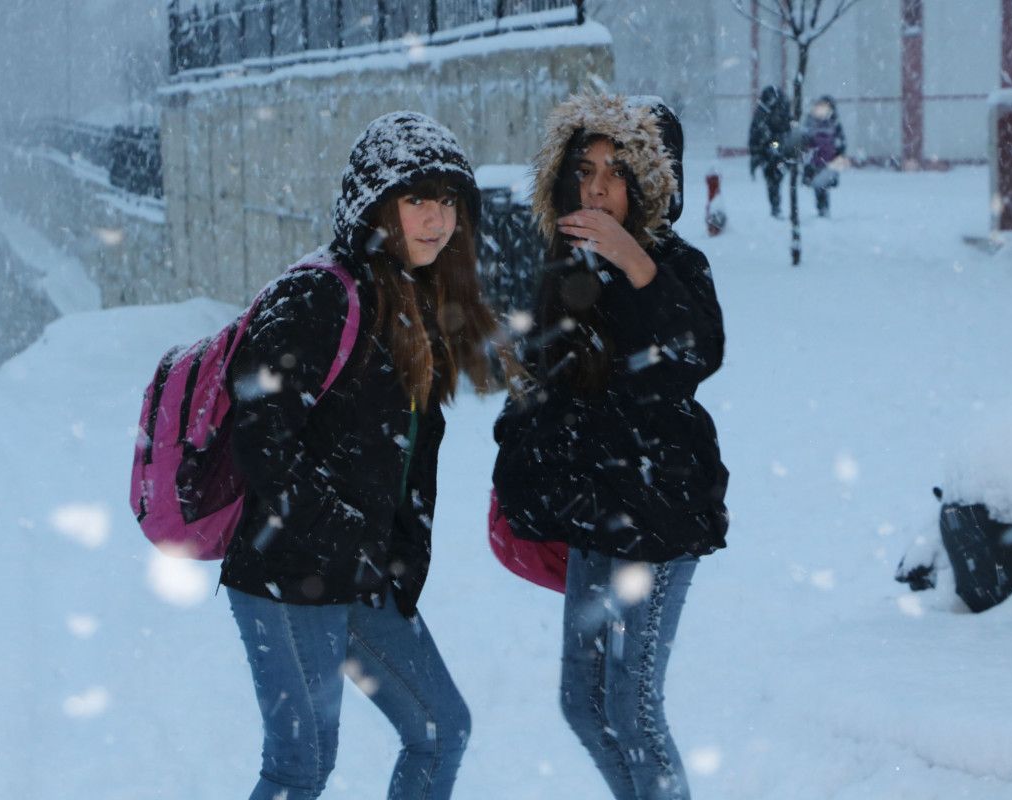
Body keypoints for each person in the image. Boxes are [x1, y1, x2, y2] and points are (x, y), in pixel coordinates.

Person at [219, 111, 503, 800]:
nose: (436, 218)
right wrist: (342, 534)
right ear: (376, 203)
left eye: (448, 201)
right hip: (289, 571)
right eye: (417, 199)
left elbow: (408, 457)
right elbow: (261, 434)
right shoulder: (316, 293)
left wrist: (395, 554)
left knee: (439, 729)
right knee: (301, 765)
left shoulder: (411, 299)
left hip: (360, 574)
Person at [493, 92, 730, 800]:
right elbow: (544, 388)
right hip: (595, 515)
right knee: (583, 703)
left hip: (659, 513)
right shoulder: (563, 268)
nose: (597, 189)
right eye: (585, 170)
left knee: (632, 707)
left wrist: (635, 263)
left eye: (617, 172)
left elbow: (696, 356)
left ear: (649, 184)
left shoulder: (675, 265)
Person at [748, 85, 793, 218]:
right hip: (767, 153)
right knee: (772, 180)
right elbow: (754, 134)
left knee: (775, 179)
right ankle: (775, 206)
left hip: (778, 151)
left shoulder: (781, 111)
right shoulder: (762, 112)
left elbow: (787, 131)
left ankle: (776, 206)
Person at [800, 95, 847, 217]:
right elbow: (804, 139)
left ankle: (823, 208)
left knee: (822, 186)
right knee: (820, 186)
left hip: (827, 161)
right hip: (816, 160)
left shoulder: (833, 123)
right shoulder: (813, 121)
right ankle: (822, 208)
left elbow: (841, 142)